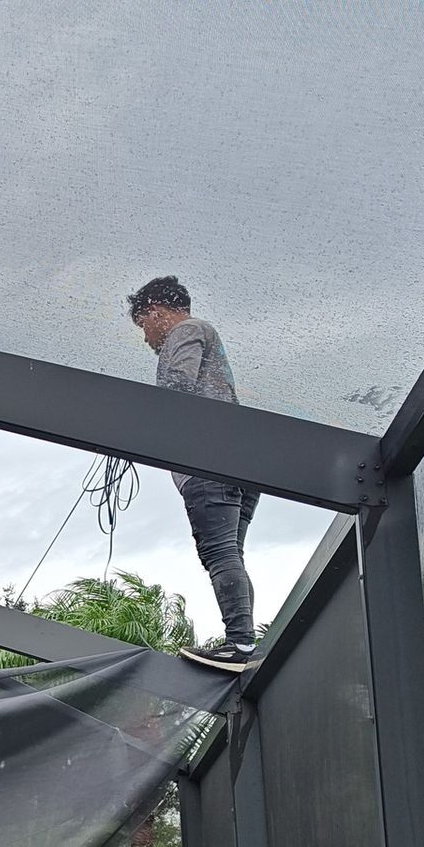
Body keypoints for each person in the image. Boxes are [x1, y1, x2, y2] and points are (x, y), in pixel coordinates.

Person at [126, 275, 259, 673]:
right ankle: (244, 639)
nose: (147, 338)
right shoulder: (208, 341)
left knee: (218, 553)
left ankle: (239, 645)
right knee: (230, 553)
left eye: (143, 326)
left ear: (156, 312)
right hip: (242, 462)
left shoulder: (185, 330)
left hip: (208, 463)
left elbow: (176, 386)